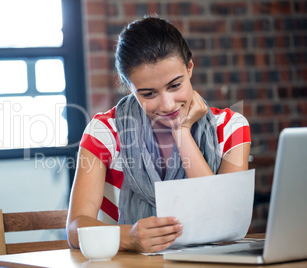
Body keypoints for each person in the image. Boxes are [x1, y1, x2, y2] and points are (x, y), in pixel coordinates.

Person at [66, 16, 251, 253]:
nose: (167, 105)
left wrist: (182, 132)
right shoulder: (105, 131)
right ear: (129, 86)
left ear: (190, 68)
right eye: (148, 94)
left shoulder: (230, 127)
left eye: (175, 86)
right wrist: (129, 236)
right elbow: (74, 228)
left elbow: (224, 221)